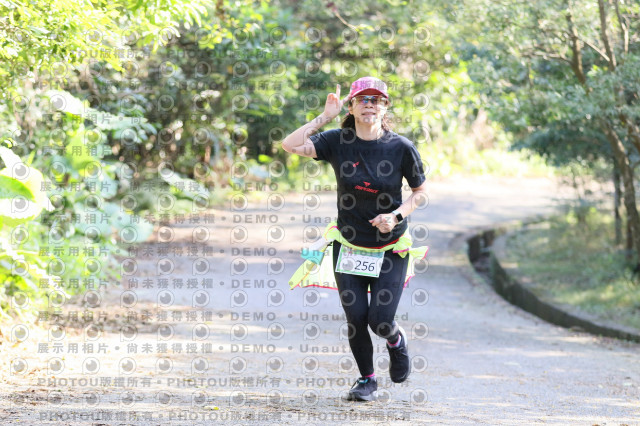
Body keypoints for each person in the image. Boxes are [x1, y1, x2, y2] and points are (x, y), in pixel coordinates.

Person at [282, 76, 428, 402]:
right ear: (351, 106)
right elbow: (289, 145)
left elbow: (419, 192)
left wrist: (396, 216)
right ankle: (366, 380)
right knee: (356, 318)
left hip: (390, 248)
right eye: (363, 99)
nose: (369, 105)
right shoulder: (337, 141)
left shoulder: (401, 148)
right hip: (348, 245)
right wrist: (324, 118)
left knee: (380, 321)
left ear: (385, 107)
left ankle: (396, 341)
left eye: (376, 100)